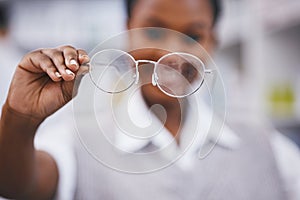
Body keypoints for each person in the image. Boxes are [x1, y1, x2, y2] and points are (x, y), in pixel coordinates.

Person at [1, 0, 300, 199]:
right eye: (154, 32)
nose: (170, 52)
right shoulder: (79, 136)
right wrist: (19, 117)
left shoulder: (263, 144)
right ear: (129, 28)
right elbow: (17, 184)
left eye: (193, 37)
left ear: (213, 42)